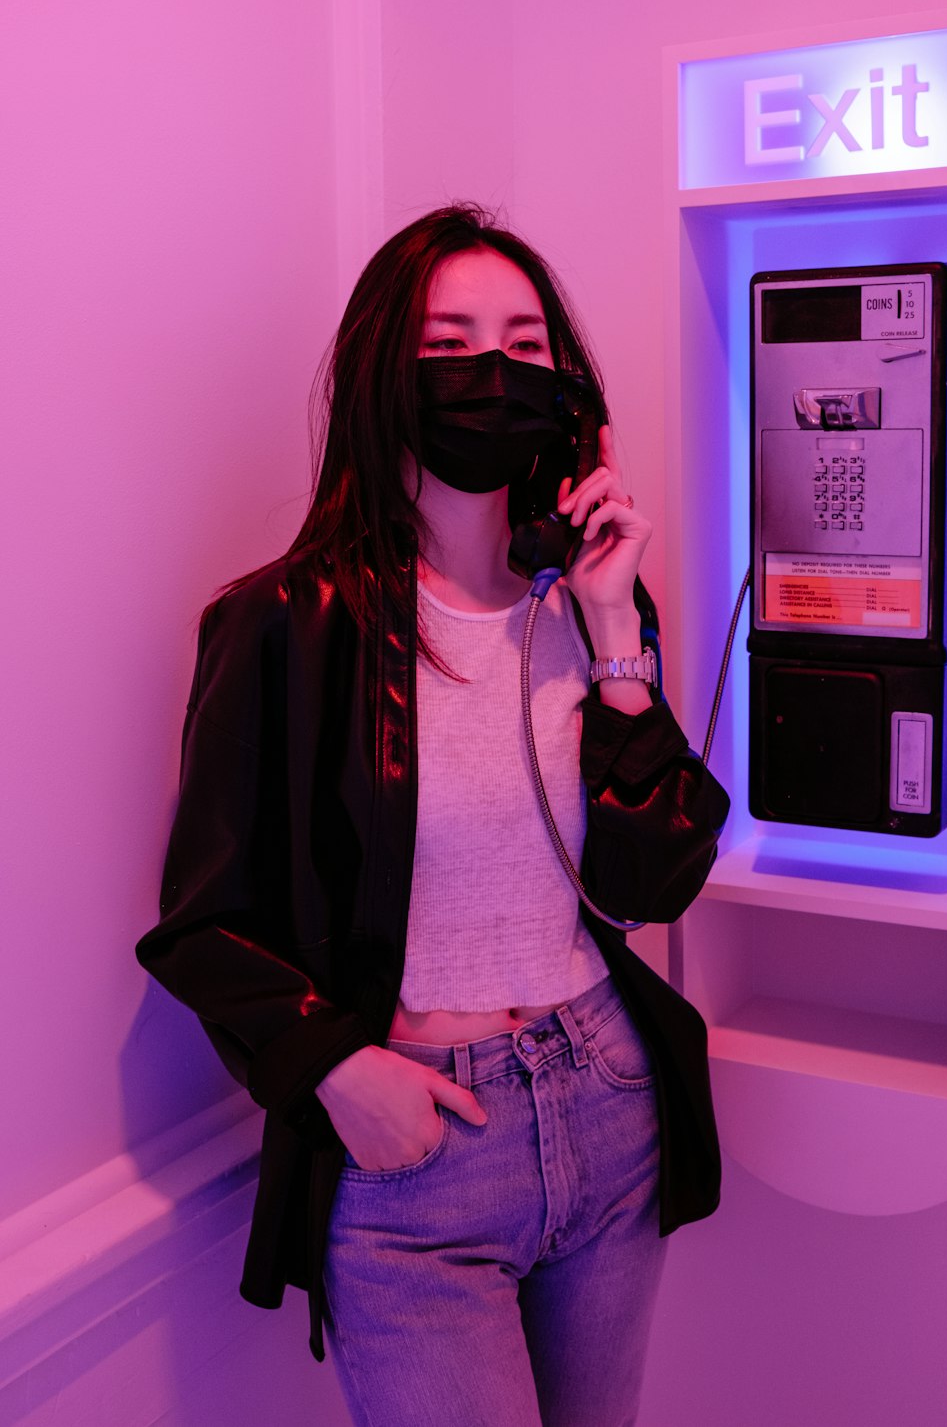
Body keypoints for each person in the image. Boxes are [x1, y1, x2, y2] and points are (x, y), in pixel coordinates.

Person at [136, 204, 729, 1427]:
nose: (491, 373)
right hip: (420, 1151)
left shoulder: (599, 610)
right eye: (451, 343)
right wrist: (340, 1070)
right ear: (381, 378)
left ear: (566, 396)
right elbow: (203, 925)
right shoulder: (283, 627)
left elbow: (651, 882)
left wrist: (619, 635)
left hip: (606, 1103)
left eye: (523, 346)